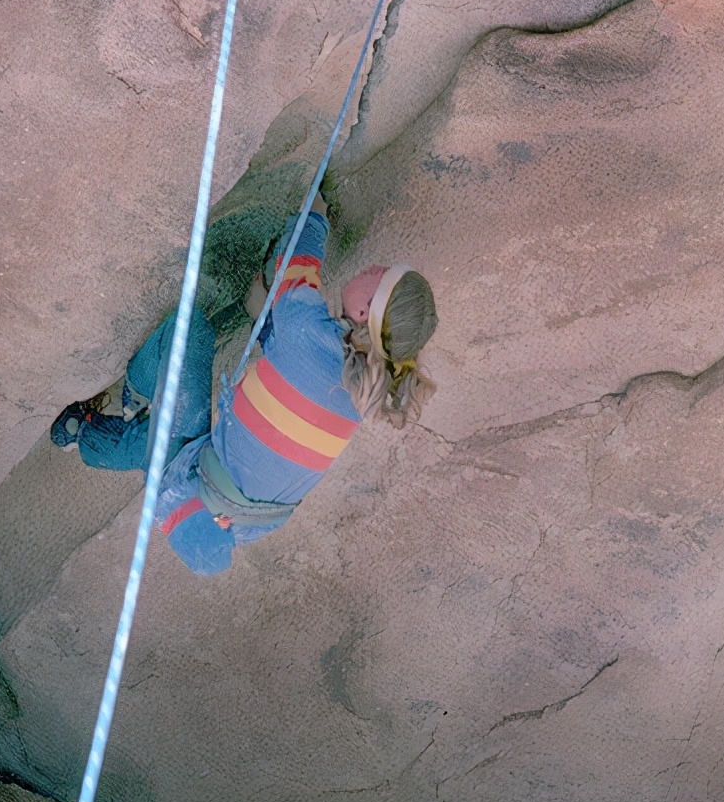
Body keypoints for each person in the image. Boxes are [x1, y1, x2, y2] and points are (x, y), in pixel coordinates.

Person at [49, 196, 438, 575]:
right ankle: (149, 423)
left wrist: (316, 213)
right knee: (244, 369)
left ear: (364, 312)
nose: (373, 266)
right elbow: (295, 371)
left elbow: (299, 258)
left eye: (379, 274)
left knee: (190, 338)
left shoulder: (305, 328)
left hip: (196, 488)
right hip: (248, 521)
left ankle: (99, 426)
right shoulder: (371, 383)